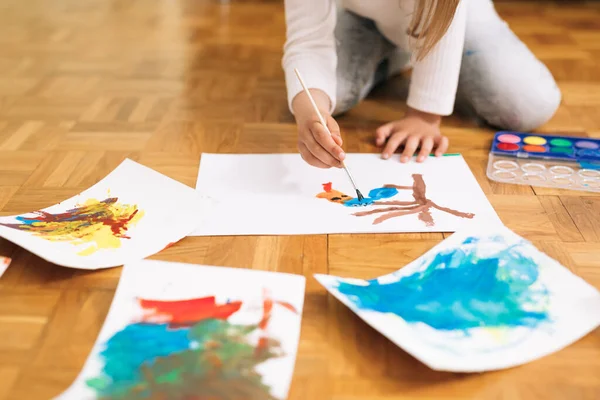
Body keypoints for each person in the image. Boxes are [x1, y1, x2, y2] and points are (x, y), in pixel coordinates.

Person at [282, 0, 561, 168]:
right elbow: (307, 42)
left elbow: (442, 19)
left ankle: (417, 55)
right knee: (324, 97)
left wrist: (424, 116)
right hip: (365, 18)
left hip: (456, 17)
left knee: (528, 104)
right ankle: (399, 53)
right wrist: (310, 113)